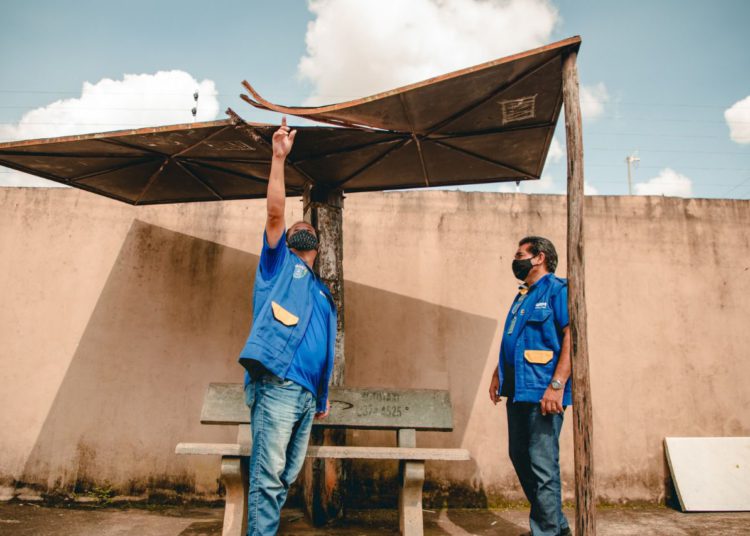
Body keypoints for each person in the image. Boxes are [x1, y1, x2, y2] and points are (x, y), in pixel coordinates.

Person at [237, 117, 337, 535]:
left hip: (306, 397)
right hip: (277, 385)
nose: (299, 228)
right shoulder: (278, 267)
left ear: (317, 245)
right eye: (295, 228)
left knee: (283, 478)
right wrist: (278, 158)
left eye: (307, 228)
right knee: (267, 476)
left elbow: (327, 348)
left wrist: (322, 395)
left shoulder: (323, 294)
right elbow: (276, 211)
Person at [488, 236, 572, 536]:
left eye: (520, 254)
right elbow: (515, 338)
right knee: (520, 456)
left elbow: (572, 339)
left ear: (539, 258)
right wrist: (499, 373)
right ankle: (557, 526)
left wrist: (557, 385)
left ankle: (546, 532)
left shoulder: (558, 290)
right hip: (518, 390)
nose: (516, 259)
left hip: (543, 392)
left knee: (542, 465)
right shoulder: (523, 295)